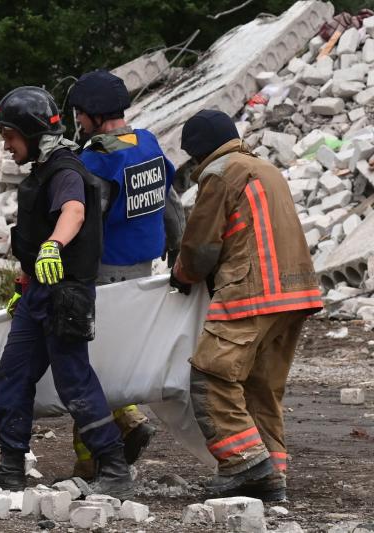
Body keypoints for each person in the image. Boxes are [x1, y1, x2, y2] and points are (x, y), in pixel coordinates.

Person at [0, 87, 134, 498]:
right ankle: (10, 469)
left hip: (64, 296)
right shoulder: (43, 172)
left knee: (74, 381)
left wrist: (53, 245)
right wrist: (26, 281)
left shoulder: (65, 172)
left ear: (33, 133)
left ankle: (113, 467)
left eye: (10, 135)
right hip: (40, 293)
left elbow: (73, 211)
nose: (6, 144)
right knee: (13, 375)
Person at [171, 109, 323, 501]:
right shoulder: (265, 169)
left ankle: (243, 463)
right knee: (260, 387)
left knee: (212, 375)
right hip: (295, 293)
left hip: (252, 291)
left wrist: (181, 274)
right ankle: (273, 476)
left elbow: (200, 249)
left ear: (197, 151)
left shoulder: (220, 173)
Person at [64, 69, 186, 478]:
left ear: (96, 115)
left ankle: (100, 450)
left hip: (105, 274)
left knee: (89, 362)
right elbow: (171, 202)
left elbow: (83, 220)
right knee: (115, 355)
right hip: (144, 270)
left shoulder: (98, 159)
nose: (78, 121)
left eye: (80, 114)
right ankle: (112, 435)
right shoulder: (147, 143)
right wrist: (177, 248)